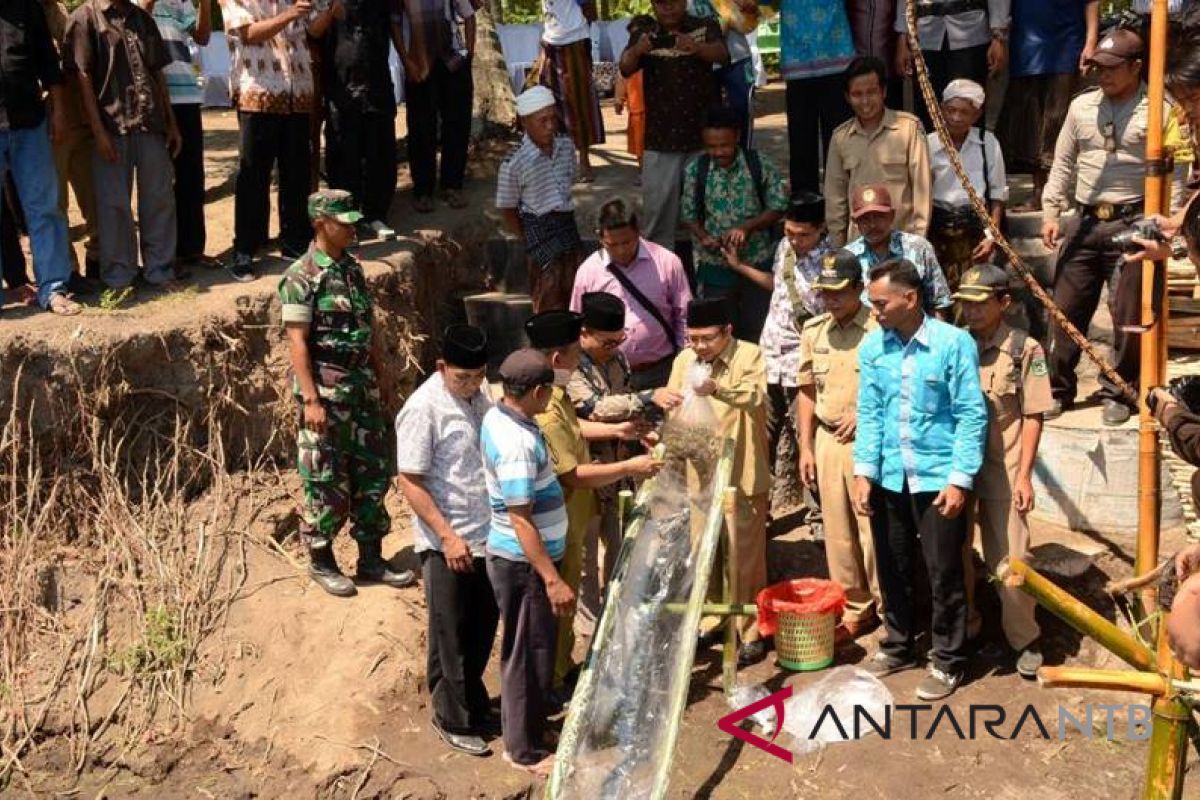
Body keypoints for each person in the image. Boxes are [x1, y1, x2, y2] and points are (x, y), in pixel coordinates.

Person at [852, 258, 988, 701]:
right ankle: (898, 644)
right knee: (892, 565)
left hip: (936, 478)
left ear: (910, 298)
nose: (874, 311)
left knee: (943, 569)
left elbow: (970, 414)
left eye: (880, 302)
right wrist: (864, 472)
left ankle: (949, 659)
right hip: (890, 475)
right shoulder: (874, 348)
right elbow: (870, 414)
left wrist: (960, 479)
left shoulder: (953, 343)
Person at [278, 189, 415, 597]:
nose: (353, 228)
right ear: (322, 224)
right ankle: (322, 561)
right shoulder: (300, 277)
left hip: (363, 391)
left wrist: (384, 378)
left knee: (372, 475)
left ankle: (371, 557)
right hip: (327, 392)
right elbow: (298, 343)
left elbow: (368, 330)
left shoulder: (352, 269)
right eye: (345, 222)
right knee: (325, 481)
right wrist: (311, 400)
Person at [1040, 27, 1177, 426]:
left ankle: (1118, 388)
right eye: (1100, 67)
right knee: (1064, 309)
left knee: (1127, 312)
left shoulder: (1159, 110)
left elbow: (1179, 170)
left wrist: (1172, 221)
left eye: (1114, 68)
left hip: (1134, 220)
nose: (1105, 75)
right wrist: (1051, 212)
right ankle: (1058, 387)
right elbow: (1062, 163)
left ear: (1137, 67)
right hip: (1084, 220)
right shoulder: (1081, 107)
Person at [526, 308, 663, 695]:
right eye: (574, 355)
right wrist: (630, 466)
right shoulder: (547, 406)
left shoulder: (552, 396)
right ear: (560, 359)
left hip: (577, 504)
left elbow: (577, 426)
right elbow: (572, 474)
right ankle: (550, 680)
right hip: (562, 509)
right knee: (563, 594)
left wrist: (619, 429)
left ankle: (562, 667)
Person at [394, 325, 497, 757]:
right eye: (462, 378)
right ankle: (451, 718)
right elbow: (410, 480)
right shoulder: (424, 408)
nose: (471, 385)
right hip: (447, 541)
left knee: (481, 627)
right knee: (449, 634)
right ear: (441, 367)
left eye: (477, 376)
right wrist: (447, 536)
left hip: (487, 536)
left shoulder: (481, 397)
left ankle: (474, 703)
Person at [953, 264, 1050, 678]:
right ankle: (968, 630)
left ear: (1003, 302)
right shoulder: (954, 344)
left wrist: (1025, 475)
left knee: (1011, 556)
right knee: (954, 555)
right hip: (957, 465)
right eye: (965, 304)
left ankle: (1023, 638)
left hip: (1002, 467)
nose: (971, 312)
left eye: (980, 304)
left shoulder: (1024, 349)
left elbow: (1033, 415)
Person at [480, 348, 570, 777]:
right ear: (537, 391)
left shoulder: (503, 416)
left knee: (531, 651)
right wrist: (551, 578)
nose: (551, 397)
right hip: (524, 565)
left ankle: (531, 731)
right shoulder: (516, 445)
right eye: (549, 390)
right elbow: (522, 521)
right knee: (526, 656)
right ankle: (523, 751)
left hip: (521, 562)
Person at [566, 291, 681, 630]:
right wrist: (648, 397)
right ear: (584, 332)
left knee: (618, 546)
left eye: (620, 340)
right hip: (585, 471)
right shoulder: (570, 367)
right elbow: (594, 409)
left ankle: (616, 616)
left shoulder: (617, 361)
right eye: (607, 341)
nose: (615, 347)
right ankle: (589, 628)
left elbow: (626, 407)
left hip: (618, 471)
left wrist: (641, 430)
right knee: (586, 554)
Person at [667, 297, 770, 667]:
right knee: (704, 551)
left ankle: (750, 629)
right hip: (700, 475)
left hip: (742, 473)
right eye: (692, 338)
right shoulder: (684, 360)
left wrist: (718, 389)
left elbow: (755, 396)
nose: (699, 346)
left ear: (728, 331)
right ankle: (711, 618)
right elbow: (675, 405)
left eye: (707, 338)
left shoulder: (750, 356)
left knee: (744, 557)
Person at [66, 0, 183, 291]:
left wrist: (171, 122)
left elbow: (157, 73)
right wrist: (98, 131)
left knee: (159, 200)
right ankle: (119, 277)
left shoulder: (142, 18)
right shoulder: (84, 18)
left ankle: (160, 270)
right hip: (111, 127)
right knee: (113, 206)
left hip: (150, 122)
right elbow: (83, 79)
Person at [797, 248, 881, 641]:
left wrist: (864, 414)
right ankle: (856, 608)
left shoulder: (880, 328)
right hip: (827, 439)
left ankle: (889, 609)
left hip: (869, 440)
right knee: (838, 531)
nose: (830, 300)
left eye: (838, 292)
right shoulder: (814, 331)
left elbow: (898, 384)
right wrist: (806, 447)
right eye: (824, 293)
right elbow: (807, 392)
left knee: (874, 529)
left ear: (859, 289)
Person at [619, 0, 728, 250]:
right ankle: (658, 283)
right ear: (653, 5)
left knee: (707, 217)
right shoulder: (644, 32)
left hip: (702, 140)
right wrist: (637, 51)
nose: (668, 8)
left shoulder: (705, 25)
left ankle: (709, 280)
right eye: (661, 3)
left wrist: (696, 47)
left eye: (674, 2)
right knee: (657, 220)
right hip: (660, 140)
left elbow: (723, 55)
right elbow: (625, 68)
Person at [221, 0, 316, 282]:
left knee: (296, 171)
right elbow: (247, 33)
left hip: (297, 91)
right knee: (253, 174)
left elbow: (315, 29)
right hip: (258, 91)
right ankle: (244, 251)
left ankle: (294, 242)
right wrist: (291, 14)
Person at [753, 193, 831, 526]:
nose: (795, 240)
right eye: (790, 232)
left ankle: (817, 517)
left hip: (805, 366)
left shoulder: (832, 264)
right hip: (770, 359)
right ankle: (762, 512)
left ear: (821, 230)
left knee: (808, 439)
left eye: (803, 235)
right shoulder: (783, 249)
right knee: (764, 439)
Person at [681, 105, 788, 342]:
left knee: (757, 329)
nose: (718, 152)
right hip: (714, 267)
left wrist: (748, 227)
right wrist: (704, 237)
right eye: (712, 146)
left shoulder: (758, 164)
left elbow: (779, 206)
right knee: (719, 333)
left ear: (737, 137)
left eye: (724, 145)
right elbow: (688, 214)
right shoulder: (695, 170)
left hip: (756, 264)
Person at [0, 0, 78, 315]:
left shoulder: (27, 7)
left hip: (29, 122)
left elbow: (48, 62)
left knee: (44, 208)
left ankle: (53, 288)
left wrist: (58, 112)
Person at [569, 198, 692, 390]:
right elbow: (577, 324)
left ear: (638, 232)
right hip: (608, 375)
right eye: (612, 244)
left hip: (662, 371)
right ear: (600, 238)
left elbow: (684, 316)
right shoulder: (588, 272)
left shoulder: (667, 262)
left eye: (627, 242)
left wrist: (684, 363)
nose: (621, 250)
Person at [309, 0, 401, 236]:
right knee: (342, 155)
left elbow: (395, 21)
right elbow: (312, 32)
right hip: (341, 86)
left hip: (376, 82)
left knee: (380, 154)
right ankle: (345, 219)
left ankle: (376, 215)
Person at [995, 0, 1097, 211]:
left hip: (1066, 42)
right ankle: (1038, 191)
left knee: (1057, 119)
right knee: (1030, 124)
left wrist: (1091, 41)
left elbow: (1091, 2)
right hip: (1026, 45)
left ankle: (1057, 192)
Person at [825, 56, 930, 247]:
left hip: (903, 244)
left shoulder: (909, 129)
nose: (865, 101)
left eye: (871, 92)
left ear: (883, 92)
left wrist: (918, 243)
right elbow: (835, 199)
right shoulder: (840, 138)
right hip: (859, 247)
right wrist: (839, 249)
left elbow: (922, 190)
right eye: (857, 94)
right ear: (848, 97)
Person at [496, 85, 583, 313]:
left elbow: (569, 180)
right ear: (525, 122)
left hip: (566, 222)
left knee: (576, 285)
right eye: (542, 121)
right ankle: (550, 344)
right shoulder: (513, 163)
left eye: (552, 119)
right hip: (537, 227)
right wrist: (528, 237)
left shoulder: (565, 145)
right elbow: (507, 208)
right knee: (548, 290)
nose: (550, 126)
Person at [141, 0, 213, 268]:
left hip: (187, 94)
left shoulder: (182, 3)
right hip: (155, 98)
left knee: (192, 178)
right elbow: (139, 21)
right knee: (159, 183)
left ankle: (191, 249)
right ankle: (164, 257)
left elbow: (203, 37)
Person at [927, 79, 1008, 291]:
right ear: (941, 110)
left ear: (977, 115)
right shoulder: (927, 144)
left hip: (974, 227)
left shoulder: (988, 142)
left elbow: (998, 193)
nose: (956, 118)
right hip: (938, 227)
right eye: (950, 110)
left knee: (974, 290)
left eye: (964, 112)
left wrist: (992, 236)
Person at [396, 0, 476, 214]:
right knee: (421, 129)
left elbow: (469, 15)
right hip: (419, 64)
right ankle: (423, 191)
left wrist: (469, 54)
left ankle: (453, 185)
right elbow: (394, 23)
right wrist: (407, 62)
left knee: (457, 125)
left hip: (453, 61)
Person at [44, 0, 101, 290]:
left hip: (79, 117)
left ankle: (97, 260)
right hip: (48, 124)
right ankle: (68, 271)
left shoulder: (60, 12)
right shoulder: (20, 14)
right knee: (56, 204)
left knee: (94, 198)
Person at [894, 0, 1010, 131]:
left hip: (970, 32)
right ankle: (929, 151)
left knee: (967, 106)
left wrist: (998, 36)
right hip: (926, 34)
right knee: (928, 113)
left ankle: (970, 151)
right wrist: (902, 36)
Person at [779, 0, 855, 192]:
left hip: (837, 58)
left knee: (839, 139)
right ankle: (806, 206)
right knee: (801, 140)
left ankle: (842, 203)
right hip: (797, 62)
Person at [843, 184, 953, 315]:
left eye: (879, 217)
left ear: (892, 215)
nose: (872, 225)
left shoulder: (918, 248)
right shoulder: (848, 257)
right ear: (855, 222)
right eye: (865, 219)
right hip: (866, 333)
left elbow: (939, 303)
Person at [535, 0, 604, 182]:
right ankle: (558, 161)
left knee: (579, 101)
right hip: (549, 43)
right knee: (549, 102)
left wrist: (580, 34)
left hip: (574, 42)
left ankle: (584, 161)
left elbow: (590, 9)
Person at [688, 0, 757, 143]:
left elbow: (752, 15)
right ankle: (710, 162)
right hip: (703, 63)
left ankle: (743, 159)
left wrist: (751, 8)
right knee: (707, 118)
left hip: (738, 58)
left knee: (742, 114)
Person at [614, 71, 645, 175]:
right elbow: (622, 76)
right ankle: (643, 172)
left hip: (657, 110)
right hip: (637, 109)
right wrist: (619, 100)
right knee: (639, 145)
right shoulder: (631, 61)